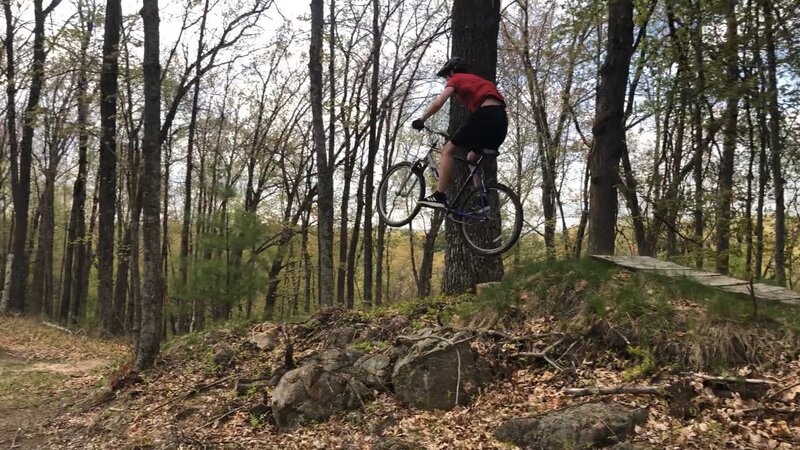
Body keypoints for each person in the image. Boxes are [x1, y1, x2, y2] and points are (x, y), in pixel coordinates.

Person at [411, 57, 508, 209]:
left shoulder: (456, 79)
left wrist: (422, 120)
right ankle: (482, 201)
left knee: (447, 150)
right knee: (472, 158)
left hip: (486, 116)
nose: (446, 80)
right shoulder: (479, 81)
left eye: (445, 76)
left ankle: (439, 196)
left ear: (451, 71)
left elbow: (438, 102)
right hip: (501, 123)